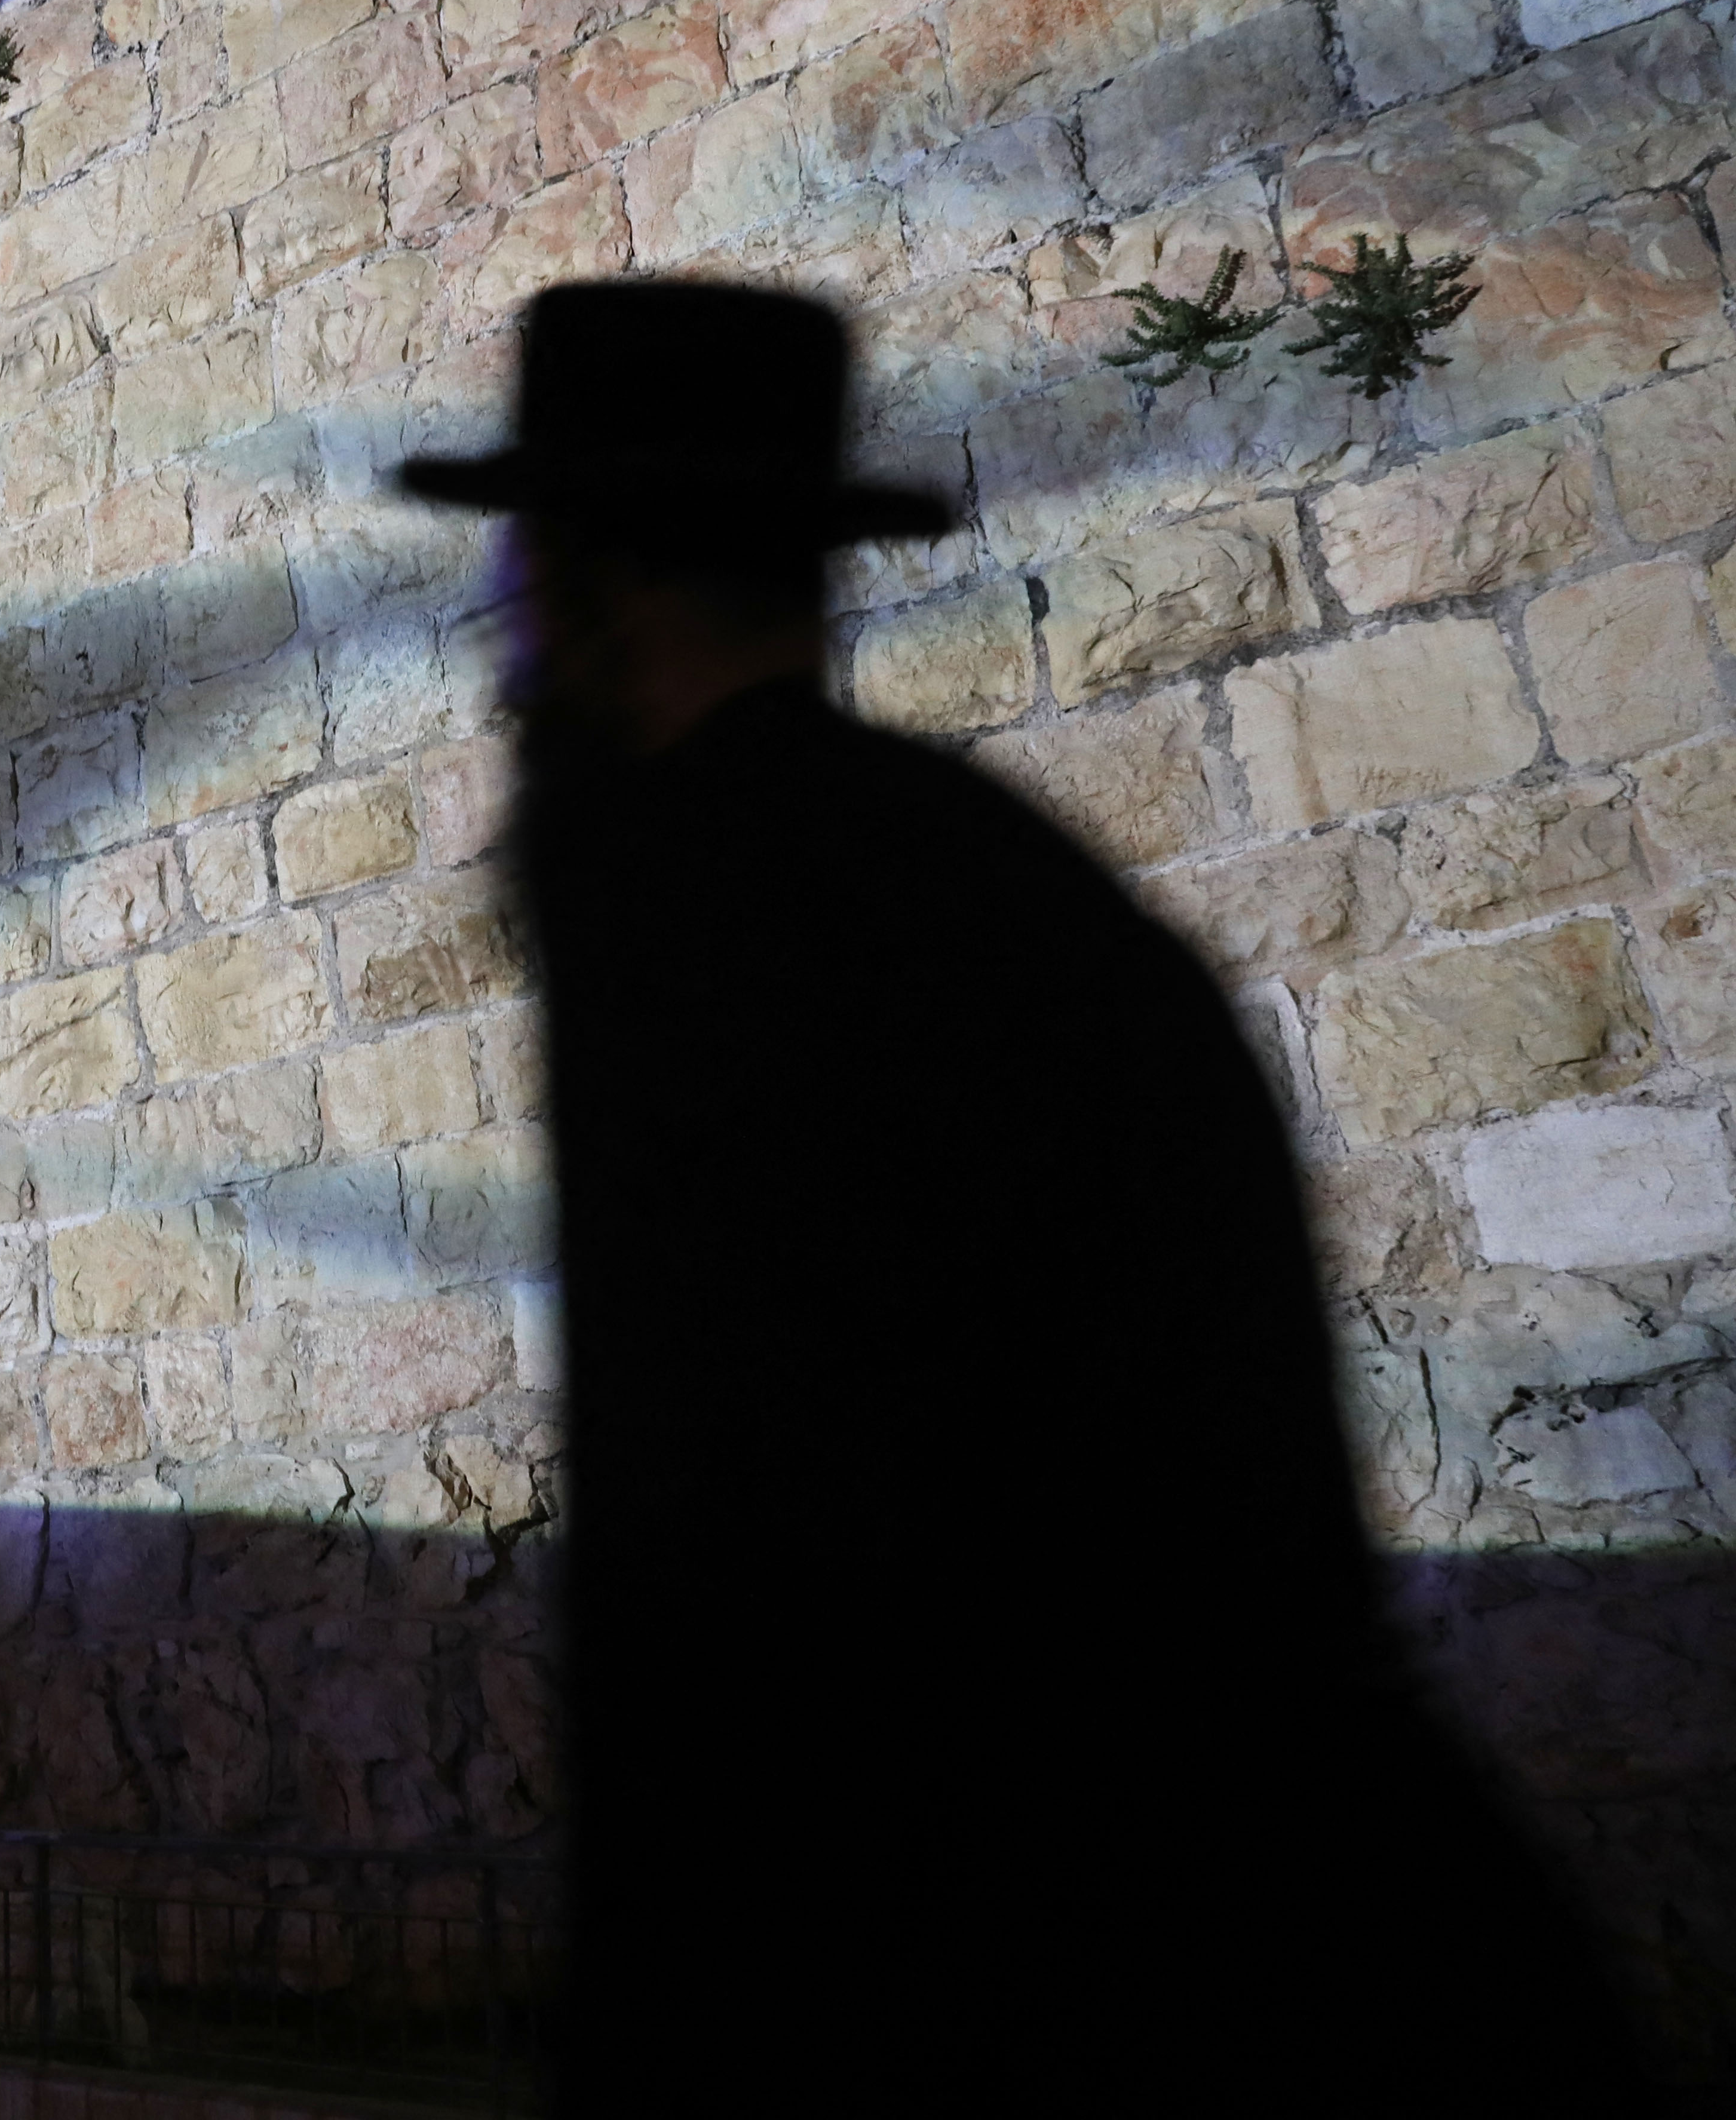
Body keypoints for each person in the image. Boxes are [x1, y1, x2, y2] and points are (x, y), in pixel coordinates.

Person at [395, 281, 1642, 2111]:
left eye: (516, 577)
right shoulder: (987, 877)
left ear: (590, 584)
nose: (502, 644)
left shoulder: (700, 904)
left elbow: (762, 1604)